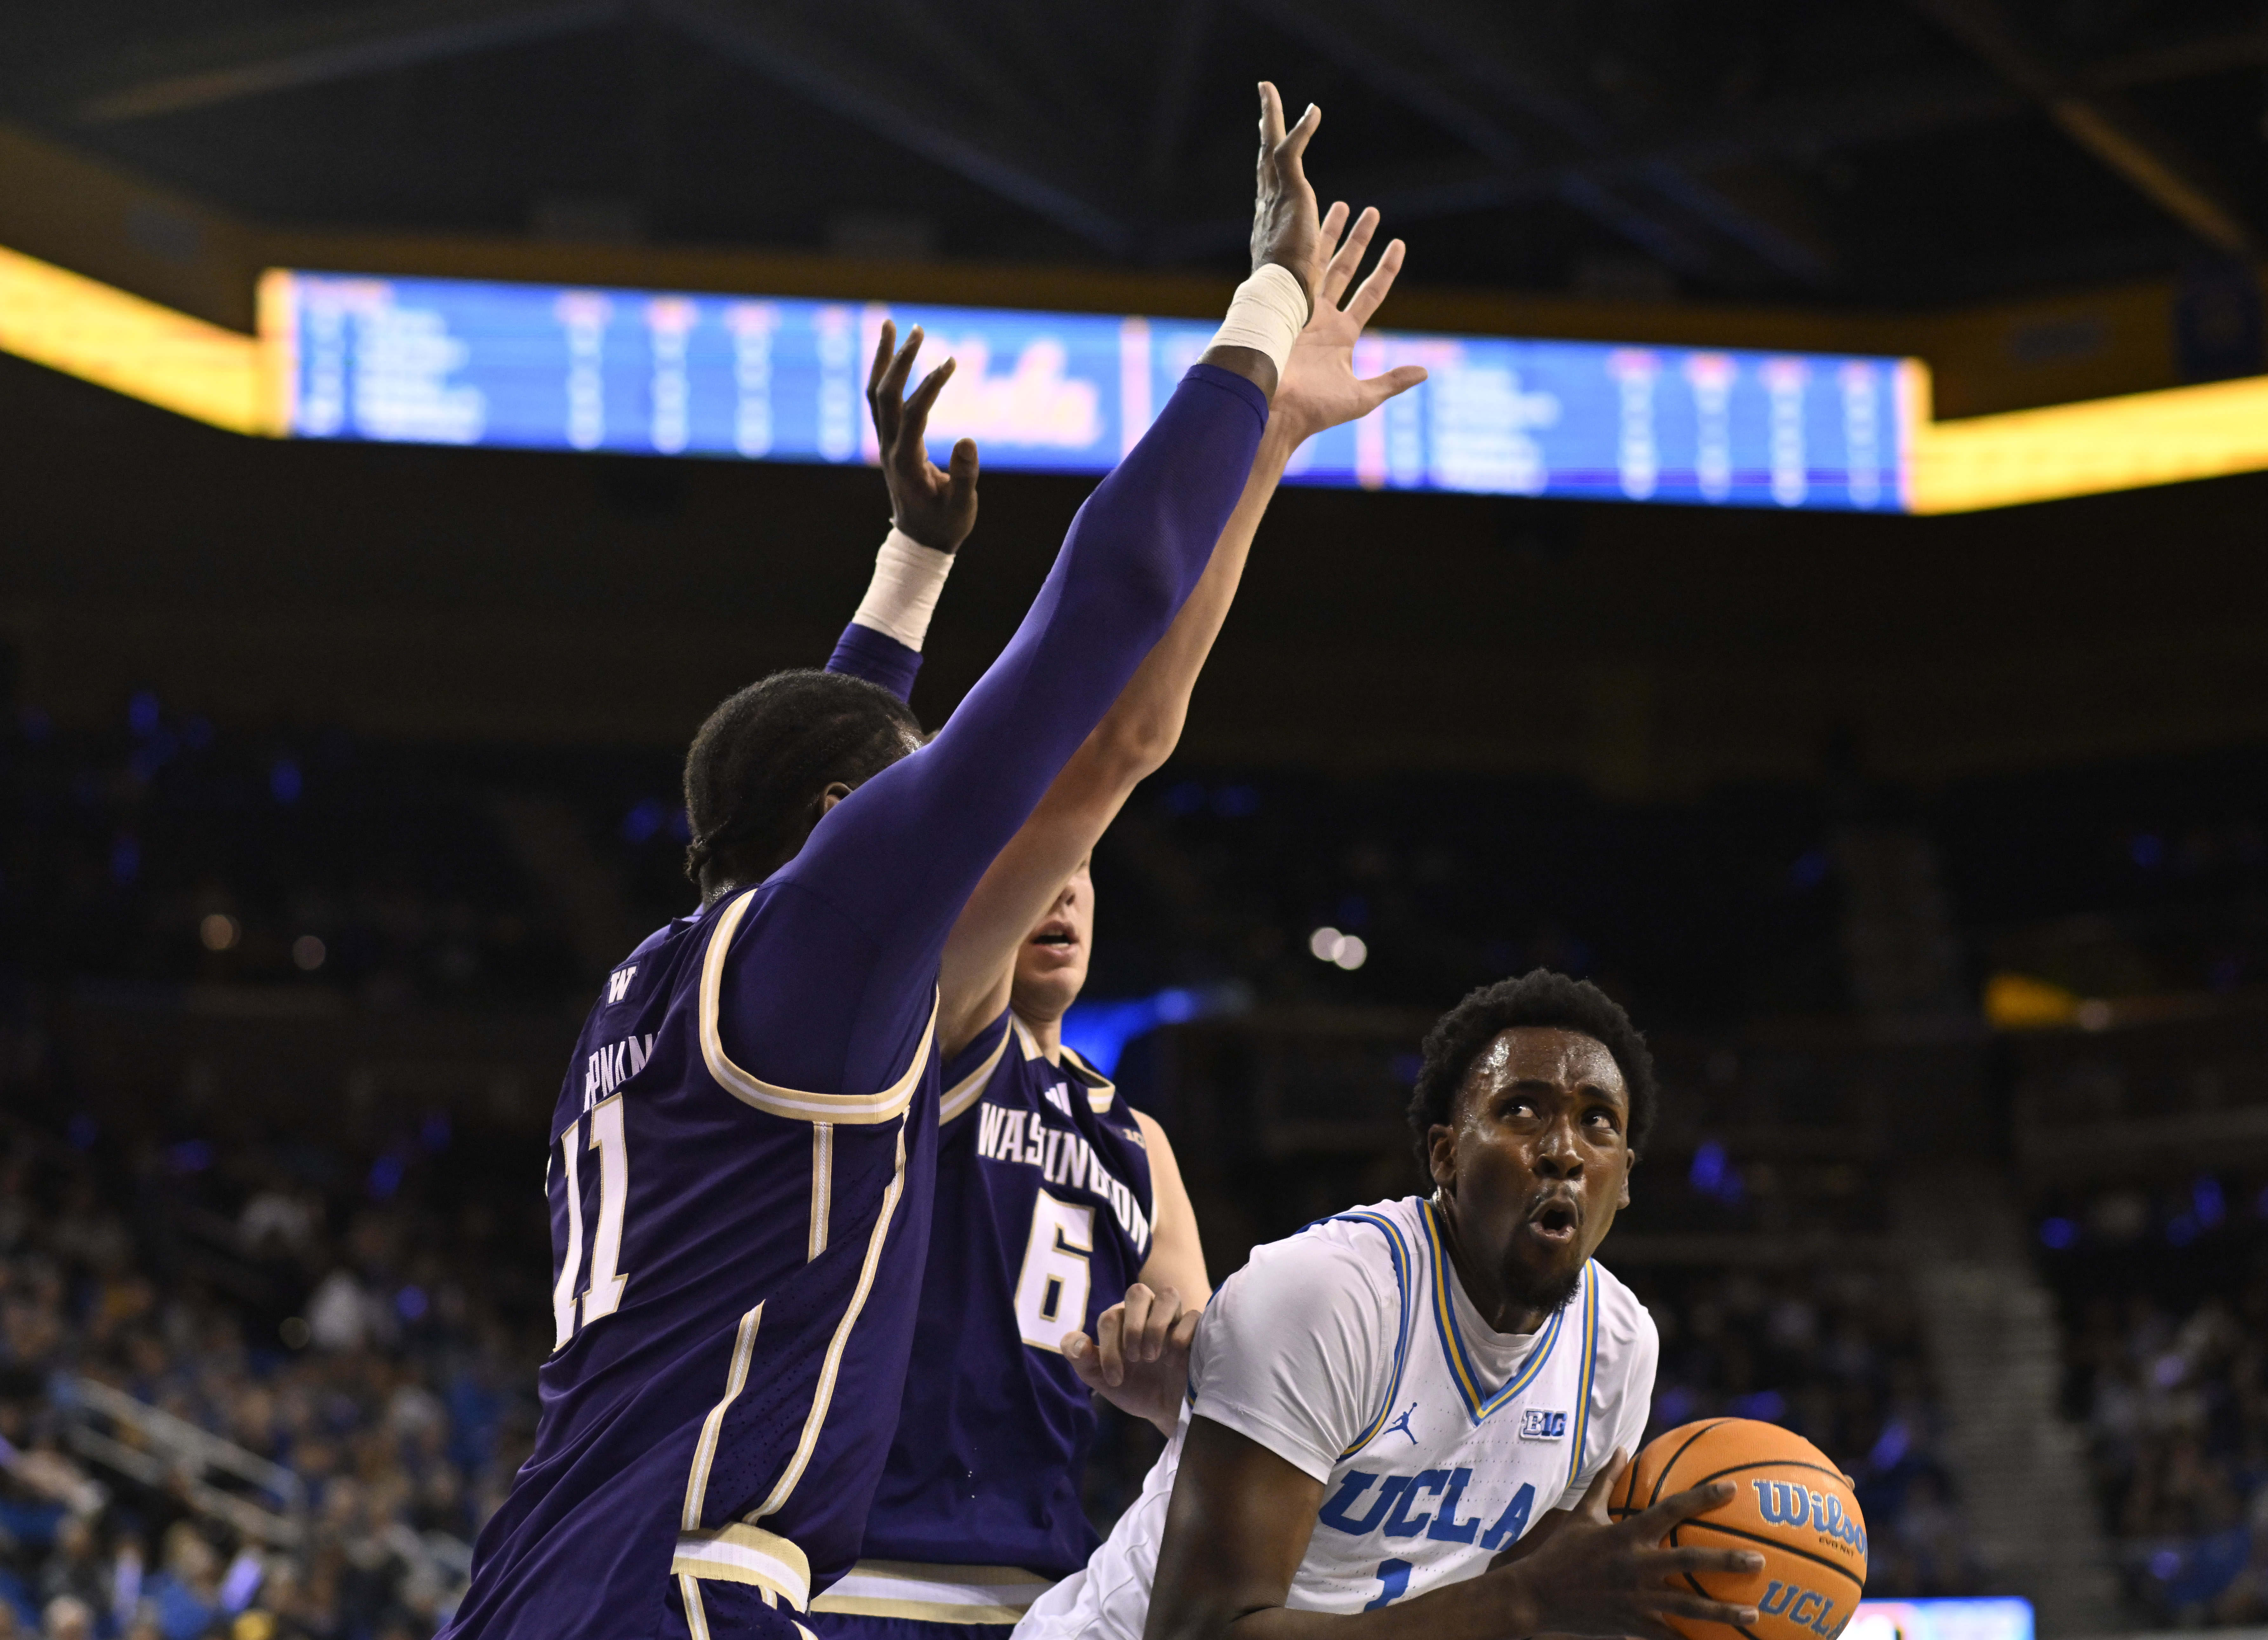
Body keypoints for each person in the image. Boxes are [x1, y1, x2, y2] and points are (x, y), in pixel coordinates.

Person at [443, 82, 1340, 1640]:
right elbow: (1107, 620)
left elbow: (817, 765)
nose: (972, 843)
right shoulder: (833, 954)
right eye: (914, 804)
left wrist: (912, 566)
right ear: (842, 827)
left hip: (535, 1579)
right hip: (696, 1587)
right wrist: (1260, 318)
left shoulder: (665, 987)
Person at [812, 207, 1425, 1640]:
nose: (1068, 885)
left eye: (1086, 874)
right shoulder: (920, 1024)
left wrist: (1175, 1378)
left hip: (1050, 1589)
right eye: (1043, 869)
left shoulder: (1130, 1138)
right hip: (849, 1573)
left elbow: (1217, 1398)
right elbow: (1100, 744)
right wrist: (1258, 432)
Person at [1016, 971, 1775, 1640]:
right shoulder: (1324, 1294)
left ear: (1626, 1177)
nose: (1563, 1149)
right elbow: (1197, 1633)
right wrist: (1529, 1600)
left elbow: (1512, 1612)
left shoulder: (1617, 1345)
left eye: (1596, 1121)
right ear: (1444, 1155)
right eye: (1521, 1109)